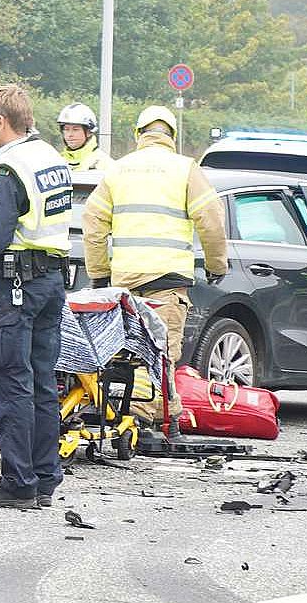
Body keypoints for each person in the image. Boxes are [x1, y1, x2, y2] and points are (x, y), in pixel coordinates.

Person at [83, 105, 228, 436]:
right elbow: (211, 219)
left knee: (130, 350)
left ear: (138, 135)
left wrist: (99, 273)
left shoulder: (118, 170)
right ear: (173, 137)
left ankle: (160, 415)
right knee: (161, 352)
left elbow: (93, 224)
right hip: (168, 279)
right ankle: (143, 419)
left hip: (125, 281)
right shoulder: (185, 169)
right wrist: (216, 264)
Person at [0, 85, 73, 509]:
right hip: (50, 282)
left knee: (9, 381)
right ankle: (45, 476)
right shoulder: (49, 157)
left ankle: (17, 481)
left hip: (15, 286)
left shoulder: (5, 170)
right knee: (43, 381)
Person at [57, 103, 114, 171]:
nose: (70, 134)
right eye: (66, 129)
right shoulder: (56, 161)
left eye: (75, 129)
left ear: (89, 132)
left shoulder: (104, 163)